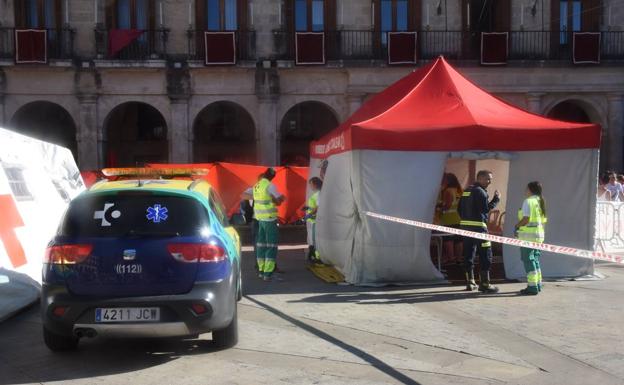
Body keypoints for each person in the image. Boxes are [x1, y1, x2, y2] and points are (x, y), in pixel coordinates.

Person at [458, 170, 500, 293]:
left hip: (466, 230)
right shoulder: (480, 192)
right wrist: (496, 199)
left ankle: (470, 282)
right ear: (479, 179)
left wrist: (466, 221)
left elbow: (459, 209)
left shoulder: (466, 191)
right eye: (487, 179)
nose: (490, 182)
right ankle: (485, 284)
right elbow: (485, 209)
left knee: (468, 254)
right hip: (480, 230)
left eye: (490, 179)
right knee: (486, 254)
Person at [241, 168, 285, 281]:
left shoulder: (257, 186)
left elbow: (245, 195)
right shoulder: (269, 186)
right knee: (271, 246)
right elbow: (277, 201)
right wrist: (280, 199)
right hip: (269, 219)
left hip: (259, 219)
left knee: (261, 245)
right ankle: (268, 273)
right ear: (272, 177)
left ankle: (261, 271)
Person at [514, 181, 547, 295]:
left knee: (528, 260)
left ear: (530, 190)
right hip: (539, 235)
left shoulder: (528, 201)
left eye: (526, 189)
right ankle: (537, 284)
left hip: (528, 236)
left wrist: (517, 226)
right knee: (535, 260)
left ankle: (532, 287)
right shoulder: (540, 201)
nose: (525, 191)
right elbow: (543, 221)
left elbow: (526, 219)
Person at [439, 173, 463, 264]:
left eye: (444, 179)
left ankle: (451, 258)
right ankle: (459, 258)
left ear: (448, 181)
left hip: (448, 218)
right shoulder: (459, 190)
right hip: (458, 218)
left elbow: (447, 206)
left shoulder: (448, 191)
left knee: (448, 239)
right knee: (458, 239)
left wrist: (439, 208)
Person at [304, 177, 323, 263]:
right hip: (313, 220)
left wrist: (309, 214)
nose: (310, 187)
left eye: (311, 184)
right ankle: (314, 255)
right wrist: (308, 208)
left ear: (315, 184)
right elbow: (315, 206)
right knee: (314, 239)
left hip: (316, 221)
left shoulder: (319, 194)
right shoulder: (317, 194)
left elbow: (318, 207)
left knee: (316, 240)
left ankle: (317, 257)